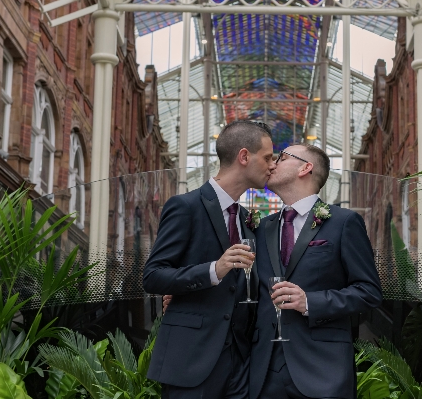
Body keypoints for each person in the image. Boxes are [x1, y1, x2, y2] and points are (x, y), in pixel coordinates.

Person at [143, 120, 275, 399]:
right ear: (243, 157)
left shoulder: (247, 220)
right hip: (192, 359)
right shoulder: (185, 206)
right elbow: (153, 275)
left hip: (239, 362)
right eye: (267, 158)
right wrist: (213, 270)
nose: (272, 165)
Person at [250, 143, 382, 399]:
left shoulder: (344, 222)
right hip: (263, 371)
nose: (273, 164)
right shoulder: (260, 228)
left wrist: (309, 301)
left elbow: (369, 292)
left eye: (282, 158)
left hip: (323, 370)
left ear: (306, 167)